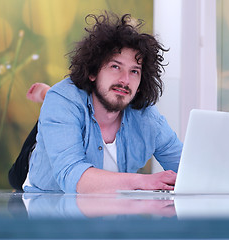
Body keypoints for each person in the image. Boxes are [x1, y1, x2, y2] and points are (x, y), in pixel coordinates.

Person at [20, 12, 182, 193]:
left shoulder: (147, 117)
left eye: (134, 71)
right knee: (57, 102)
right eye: (115, 67)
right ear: (93, 71)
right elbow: (72, 176)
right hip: (44, 188)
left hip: (105, 210)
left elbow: (187, 167)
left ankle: (47, 94)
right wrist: (144, 182)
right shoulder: (63, 101)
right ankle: (47, 94)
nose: (125, 80)